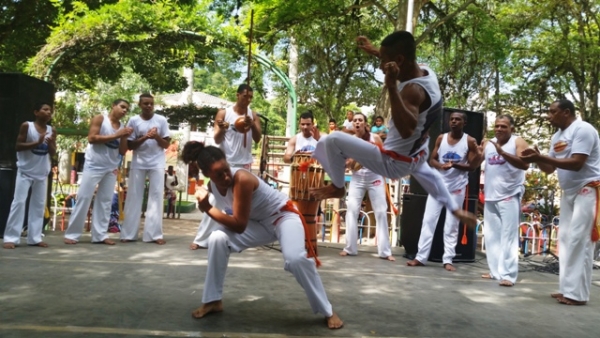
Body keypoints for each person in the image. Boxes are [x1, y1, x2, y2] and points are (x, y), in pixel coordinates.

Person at [309, 31, 477, 229]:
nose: (381, 67)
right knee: (429, 174)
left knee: (331, 140)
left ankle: (338, 188)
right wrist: (375, 51)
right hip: (417, 153)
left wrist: (390, 87)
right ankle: (454, 208)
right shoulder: (426, 71)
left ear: (398, 61)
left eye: (384, 61)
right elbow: (403, 60)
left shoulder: (412, 91)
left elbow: (406, 130)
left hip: (393, 162)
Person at [180, 142, 343, 329]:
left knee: (295, 259)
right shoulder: (213, 186)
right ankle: (212, 300)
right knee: (217, 238)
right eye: (218, 174)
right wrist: (202, 196)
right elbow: (224, 212)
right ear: (208, 174)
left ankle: (328, 310)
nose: (226, 176)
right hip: (258, 224)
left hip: (283, 217)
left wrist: (207, 208)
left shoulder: (242, 178)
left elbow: (239, 225)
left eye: (226, 169)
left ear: (228, 163)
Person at [520, 99, 600, 305]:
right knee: (564, 240)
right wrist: (537, 159)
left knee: (579, 240)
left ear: (566, 112)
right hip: (569, 192)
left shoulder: (583, 129)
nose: (549, 115)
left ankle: (578, 295)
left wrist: (544, 157)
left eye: (552, 112)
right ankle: (567, 289)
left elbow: (576, 163)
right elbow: (549, 169)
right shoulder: (557, 136)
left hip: (588, 188)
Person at [190, 84, 262, 250]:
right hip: (225, 163)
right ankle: (201, 239)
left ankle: (237, 239)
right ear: (237, 95)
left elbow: (258, 139)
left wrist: (252, 125)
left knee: (240, 202)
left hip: (243, 164)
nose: (248, 100)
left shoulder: (253, 115)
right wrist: (222, 129)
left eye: (251, 97)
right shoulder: (224, 113)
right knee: (216, 199)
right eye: (245, 96)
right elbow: (216, 138)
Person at [406, 111, 482, 270]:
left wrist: (455, 165)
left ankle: (448, 259)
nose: (454, 122)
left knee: (451, 225)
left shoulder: (469, 141)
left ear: (464, 123)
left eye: (458, 120)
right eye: (452, 119)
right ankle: (421, 257)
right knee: (428, 221)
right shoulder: (441, 138)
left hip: (456, 188)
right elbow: (432, 159)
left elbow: (473, 166)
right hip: (438, 188)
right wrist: (441, 166)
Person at [64, 99, 132, 245]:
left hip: (111, 167)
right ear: (113, 106)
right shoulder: (100, 119)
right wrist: (117, 135)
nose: (125, 110)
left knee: (105, 201)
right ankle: (72, 234)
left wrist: (124, 136)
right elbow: (92, 138)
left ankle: (100, 235)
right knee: (84, 198)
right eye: (122, 107)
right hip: (93, 165)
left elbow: (121, 150)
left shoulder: (122, 127)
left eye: (127, 109)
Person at [480, 114, 529, 287]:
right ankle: (495, 272)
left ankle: (508, 274)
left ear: (512, 129)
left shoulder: (517, 142)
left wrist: (503, 153)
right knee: (492, 237)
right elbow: (474, 162)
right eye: (497, 126)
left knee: (508, 237)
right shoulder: (488, 144)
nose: (499, 129)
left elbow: (524, 164)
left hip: (509, 194)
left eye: (504, 126)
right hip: (490, 195)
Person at [341, 112, 395, 261]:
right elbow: (348, 165)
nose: (357, 123)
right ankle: (350, 248)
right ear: (353, 125)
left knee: (381, 212)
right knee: (351, 209)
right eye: (355, 121)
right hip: (357, 178)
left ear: (365, 124)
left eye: (360, 120)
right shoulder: (349, 141)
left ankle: (385, 251)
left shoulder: (375, 138)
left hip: (375, 176)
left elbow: (385, 157)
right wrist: (354, 161)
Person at [3, 102, 56, 249]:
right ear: (36, 112)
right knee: (19, 203)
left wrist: (50, 143)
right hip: (25, 171)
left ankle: (35, 237)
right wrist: (36, 142)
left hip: (42, 172)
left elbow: (52, 152)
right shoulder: (27, 126)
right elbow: (18, 146)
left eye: (50, 111)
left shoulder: (52, 130)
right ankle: (11, 238)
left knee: (38, 206)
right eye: (45, 109)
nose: (48, 112)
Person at [120, 93, 170, 245]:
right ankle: (128, 233)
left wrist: (156, 137)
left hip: (157, 163)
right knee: (133, 197)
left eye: (151, 104)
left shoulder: (161, 120)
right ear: (140, 105)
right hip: (138, 163)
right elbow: (130, 145)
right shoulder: (134, 121)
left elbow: (166, 145)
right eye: (146, 103)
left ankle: (154, 235)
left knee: (156, 198)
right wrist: (145, 137)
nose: (149, 106)